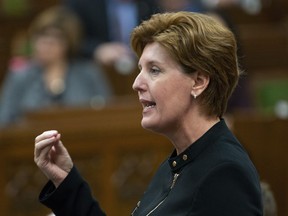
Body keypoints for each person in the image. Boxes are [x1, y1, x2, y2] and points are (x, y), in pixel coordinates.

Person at [34, 11, 263, 215]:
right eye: (139, 69)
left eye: (154, 70)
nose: (136, 83)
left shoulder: (225, 173)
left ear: (199, 82)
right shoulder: (177, 163)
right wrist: (66, 181)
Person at [0, 6, 112, 128]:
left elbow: (106, 114)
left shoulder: (89, 73)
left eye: (55, 38)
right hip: (30, 143)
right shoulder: (20, 76)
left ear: (68, 43)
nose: (46, 44)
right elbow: (5, 121)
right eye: (41, 37)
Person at [63, 0, 158, 74]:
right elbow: (68, 39)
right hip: (94, 71)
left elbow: (160, 35)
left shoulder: (150, 3)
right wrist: (96, 50)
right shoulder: (83, 3)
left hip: (142, 69)